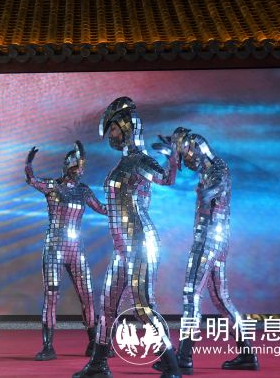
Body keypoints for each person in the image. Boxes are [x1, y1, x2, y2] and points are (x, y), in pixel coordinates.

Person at [73, 97, 182, 378]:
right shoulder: (125, 162)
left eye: (113, 128)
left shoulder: (139, 160)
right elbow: (114, 208)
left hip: (140, 242)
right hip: (123, 246)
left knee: (143, 307)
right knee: (108, 305)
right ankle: (98, 364)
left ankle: (172, 366)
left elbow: (166, 179)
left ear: (126, 126)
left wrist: (173, 157)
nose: (111, 134)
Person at [152, 129, 259, 374]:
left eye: (186, 154)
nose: (186, 160)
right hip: (218, 241)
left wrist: (206, 191)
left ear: (197, 150)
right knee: (221, 298)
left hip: (207, 241)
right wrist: (174, 154)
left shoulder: (216, 171)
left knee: (191, 293)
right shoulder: (213, 168)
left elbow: (214, 188)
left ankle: (184, 357)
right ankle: (247, 353)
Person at [25, 141, 106, 361]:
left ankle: (93, 342)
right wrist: (29, 165)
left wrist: (125, 205)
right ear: (68, 166)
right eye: (77, 166)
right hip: (54, 249)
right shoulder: (53, 186)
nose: (80, 171)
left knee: (87, 294)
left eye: (82, 167)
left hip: (75, 249)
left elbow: (102, 209)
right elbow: (32, 180)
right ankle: (48, 346)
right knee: (51, 295)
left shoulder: (83, 190)